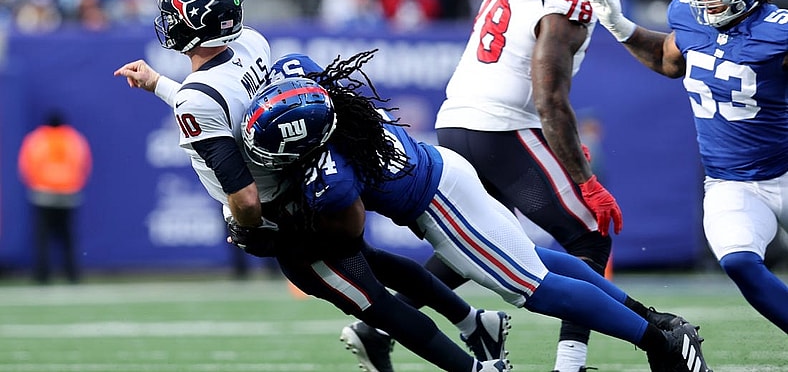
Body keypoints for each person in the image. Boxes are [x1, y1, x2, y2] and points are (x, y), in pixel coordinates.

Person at [113, 0, 511, 372]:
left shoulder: (197, 99)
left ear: (190, 25)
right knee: (371, 262)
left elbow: (244, 191)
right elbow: (223, 102)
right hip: (307, 187)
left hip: (287, 217)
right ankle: (475, 322)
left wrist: (247, 228)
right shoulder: (251, 43)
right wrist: (159, 83)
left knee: (374, 306)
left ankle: (475, 369)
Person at [239, 51, 712, 372]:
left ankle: (659, 342)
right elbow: (295, 72)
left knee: (535, 290)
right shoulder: (315, 91)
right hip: (445, 173)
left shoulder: (333, 178)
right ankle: (655, 319)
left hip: (440, 205)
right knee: (531, 259)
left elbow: (346, 236)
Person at [346, 0, 626, 371]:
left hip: (458, 118)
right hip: (503, 126)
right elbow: (549, 96)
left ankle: (378, 327)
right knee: (590, 229)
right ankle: (570, 365)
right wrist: (583, 179)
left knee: (485, 241)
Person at [582, 0, 788, 335]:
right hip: (732, 183)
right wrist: (620, 26)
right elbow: (669, 59)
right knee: (739, 261)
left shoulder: (778, 32)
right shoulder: (689, 18)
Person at [18, 111, 92, 284]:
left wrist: (37, 185)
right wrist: (74, 184)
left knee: (42, 238)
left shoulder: (37, 140)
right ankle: (72, 275)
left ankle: (42, 275)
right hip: (68, 195)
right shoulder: (74, 140)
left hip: (43, 195)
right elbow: (84, 165)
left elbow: (26, 165)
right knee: (68, 238)